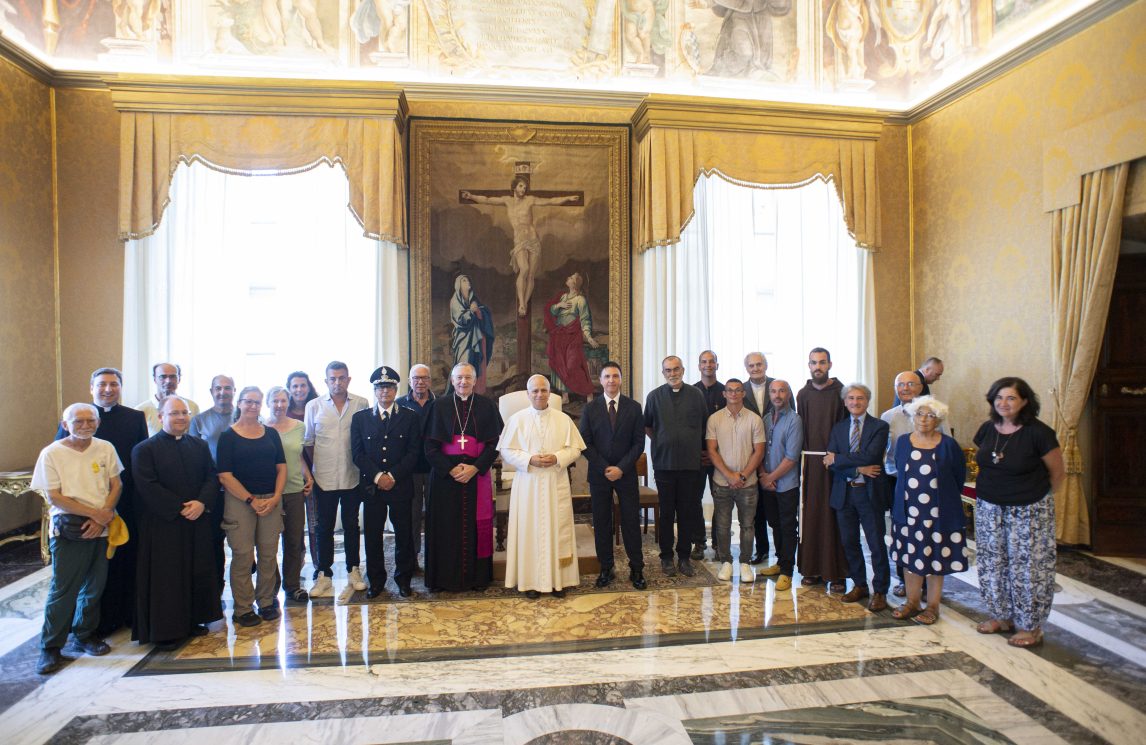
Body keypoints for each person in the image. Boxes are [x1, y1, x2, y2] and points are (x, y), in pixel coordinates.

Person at [972, 377, 1065, 648]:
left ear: (1024, 401)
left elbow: (1057, 474)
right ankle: (1001, 616)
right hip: (990, 507)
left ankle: (1030, 626)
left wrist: (1039, 499)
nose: (1004, 403)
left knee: (1028, 569)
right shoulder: (987, 429)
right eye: (999, 397)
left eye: (1011, 398)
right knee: (992, 564)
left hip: (1029, 510)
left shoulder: (1039, 433)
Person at [55, 368, 148, 636]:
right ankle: (96, 622)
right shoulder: (76, 416)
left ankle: (127, 612)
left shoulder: (135, 417)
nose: (108, 389)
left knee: (125, 558)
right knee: (92, 570)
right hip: (83, 506)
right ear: (91, 388)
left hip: (124, 501)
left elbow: (139, 460)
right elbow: (61, 458)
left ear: (121, 387)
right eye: (102, 384)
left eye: (114, 384)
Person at [33, 403, 122, 675]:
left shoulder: (105, 447)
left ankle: (84, 635)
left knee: (95, 586)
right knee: (64, 588)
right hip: (70, 528)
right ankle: (50, 646)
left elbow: (116, 484)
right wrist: (95, 515)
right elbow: (54, 496)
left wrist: (101, 518)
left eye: (90, 420)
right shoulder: (52, 453)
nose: (85, 425)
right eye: (78, 421)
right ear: (65, 423)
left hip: (101, 526)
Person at [131, 395, 224, 649]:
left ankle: (192, 621)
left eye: (184, 413)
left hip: (196, 521)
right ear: (161, 417)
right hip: (164, 524)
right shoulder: (144, 449)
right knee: (168, 577)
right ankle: (166, 631)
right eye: (174, 413)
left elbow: (211, 476)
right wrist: (180, 508)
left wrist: (202, 503)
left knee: (196, 570)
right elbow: (147, 486)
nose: (181, 417)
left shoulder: (198, 445)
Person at [499, 375, 587, 598]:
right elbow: (507, 450)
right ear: (528, 394)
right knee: (530, 530)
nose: (539, 395)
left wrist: (557, 457)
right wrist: (530, 460)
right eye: (535, 391)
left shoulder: (563, 419)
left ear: (550, 393)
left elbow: (575, 449)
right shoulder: (517, 420)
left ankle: (559, 582)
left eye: (543, 390)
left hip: (554, 481)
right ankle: (530, 583)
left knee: (558, 528)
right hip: (527, 483)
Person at [423, 363, 504, 592]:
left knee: (476, 527)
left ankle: (477, 579)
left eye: (468, 377)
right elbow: (429, 447)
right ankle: (444, 579)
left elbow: (494, 444)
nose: (463, 382)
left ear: (475, 380)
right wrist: (450, 469)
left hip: (476, 476)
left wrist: (475, 468)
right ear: (452, 380)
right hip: (445, 479)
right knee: (445, 526)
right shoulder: (439, 406)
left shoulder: (487, 406)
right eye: (459, 377)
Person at [890, 396, 966, 625]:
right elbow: (898, 470)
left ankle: (932, 606)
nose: (924, 419)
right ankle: (912, 602)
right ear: (912, 417)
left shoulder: (947, 445)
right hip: (908, 512)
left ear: (938, 420)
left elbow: (958, 476)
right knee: (910, 558)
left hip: (938, 514)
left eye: (930, 415)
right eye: (920, 414)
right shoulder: (903, 442)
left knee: (936, 560)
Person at [462, 177, 581, 316]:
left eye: (525, 187)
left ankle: (524, 304)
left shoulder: (530, 200)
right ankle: (522, 304)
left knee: (531, 274)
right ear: (514, 187)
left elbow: (549, 201)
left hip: (533, 239)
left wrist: (567, 198)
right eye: (520, 186)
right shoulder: (507, 200)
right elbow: (487, 199)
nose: (523, 189)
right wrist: (471, 196)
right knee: (523, 268)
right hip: (520, 240)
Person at [217, 387, 286, 627]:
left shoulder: (271, 434)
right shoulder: (228, 436)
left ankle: (266, 602)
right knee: (243, 556)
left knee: (268, 555)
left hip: (271, 500)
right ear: (239, 403)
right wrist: (251, 500)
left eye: (257, 402)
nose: (253, 406)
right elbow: (225, 476)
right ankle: (243, 608)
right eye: (248, 402)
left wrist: (276, 497)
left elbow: (282, 467)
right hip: (240, 503)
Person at [351, 366, 423, 598]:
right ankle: (376, 581)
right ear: (374, 390)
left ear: (396, 389)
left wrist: (391, 476)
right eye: (380, 387)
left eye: (389, 387)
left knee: (404, 535)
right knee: (372, 536)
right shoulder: (360, 419)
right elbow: (357, 454)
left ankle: (403, 580)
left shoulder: (409, 417)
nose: (385, 392)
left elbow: (413, 452)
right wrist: (378, 477)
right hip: (372, 488)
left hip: (400, 485)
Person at [304, 362, 370, 597]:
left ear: (349, 380)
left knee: (352, 524)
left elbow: (365, 439)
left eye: (342, 378)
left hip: (352, 475)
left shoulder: (361, 403)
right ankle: (325, 574)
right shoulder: (314, 406)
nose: (337, 383)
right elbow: (309, 442)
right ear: (326, 381)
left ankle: (354, 569)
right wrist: (315, 469)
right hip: (324, 476)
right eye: (333, 379)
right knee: (324, 526)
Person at [580, 361, 648, 590]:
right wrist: (604, 468)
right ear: (600, 381)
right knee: (602, 522)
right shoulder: (590, 409)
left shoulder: (634, 407)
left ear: (620, 379)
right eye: (607, 376)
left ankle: (637, 568)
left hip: (626, 474)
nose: (611, 380)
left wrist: (621, 468)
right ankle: (606, 567)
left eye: (615, 376)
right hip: (599, 476)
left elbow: (639, 443)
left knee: (631, 521)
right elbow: (585, 444)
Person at [824, 383, 890, 611]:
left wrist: (840, 459)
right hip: (845, 493)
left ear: (867, 401)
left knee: (876, 543)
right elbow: (830, 463)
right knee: (849, 542)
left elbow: (871, 455)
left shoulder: (880, 426)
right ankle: (860, 585)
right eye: (851, 398)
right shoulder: (838, 428)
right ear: (845, 402)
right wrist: (859, 469)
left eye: (860, 398)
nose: (855, 402)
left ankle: (880, 591)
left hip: (869, 494)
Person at [882, 370, 947, 597]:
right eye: (901, 384)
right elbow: (883, 453)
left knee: (929, 533)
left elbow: (947, 450)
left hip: (929, 487)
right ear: (895, 389)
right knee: (902, 533)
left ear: (921, 387)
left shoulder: (937, 414)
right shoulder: (888, 417)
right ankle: (904, 580)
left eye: (911, 384)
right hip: (897, 483)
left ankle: (930, 582)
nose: (906, 388)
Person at [644, 355, 708, 578]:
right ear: (663, 373)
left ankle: (684, 557)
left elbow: (702, 425)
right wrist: (664, 440)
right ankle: (666, 557)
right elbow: (648, 426)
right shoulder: (654, 397)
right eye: (668, 370)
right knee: (667, 512)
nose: (673, 373)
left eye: (676, 369)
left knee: (687, 512)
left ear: (683, 370)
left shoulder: (696, 395)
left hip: (690, 464)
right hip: (664, 464)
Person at [796, 347, 849, 592]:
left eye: (822, 362)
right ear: (808, 365)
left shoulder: (842, 392)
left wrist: (837, 455)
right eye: (813, 363)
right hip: (810, 462)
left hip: (834, 463)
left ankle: (836, 572)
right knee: (811, 514)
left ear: (830, 364)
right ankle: (811, 569)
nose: (818, 366)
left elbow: (846, 427)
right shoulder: (802, 394)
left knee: (834, 516)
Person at [705, 378, 765, 584]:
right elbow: (712, 451)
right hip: (722, 482)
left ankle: (745, 563)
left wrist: (742, 475)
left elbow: (759, 451)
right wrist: (729, 475)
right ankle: (726, 562)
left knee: (748, 525)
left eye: (737, 390)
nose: (733, 394)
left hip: (747, 484)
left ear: (743, 393)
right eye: (729, 391)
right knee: (722, 525)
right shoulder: (714, 419)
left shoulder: (754, 419)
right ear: (724, 394)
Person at [265, 386, 314, 605]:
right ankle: (271, 586)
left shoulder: (299, 427)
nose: (279, 405)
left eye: (283, 401)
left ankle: (292, 585)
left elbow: (298, 456)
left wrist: (308, 475)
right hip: (270, 491)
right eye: (275, 401)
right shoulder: (261, 428)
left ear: (288, 402)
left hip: (294, 489)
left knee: (294, 540)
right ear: (268, 403)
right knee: (269, 542)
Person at [189, 374, 236, 589]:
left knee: (243, 541)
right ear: (211, 392)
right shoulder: (198, 420)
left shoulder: (245, 416)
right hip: (213, 490)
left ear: (234, 391)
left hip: (242, 488)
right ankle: (216, 585)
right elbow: (193, 455)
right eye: (218, 388)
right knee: (215, 540)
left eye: (227, 388)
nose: (223, 392)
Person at [758, 379, 802, 591]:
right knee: (774, 524)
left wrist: (770, 477)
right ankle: (779, 562)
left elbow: (792, 457)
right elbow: (758, 450)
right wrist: (763, 476)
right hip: (768, 483)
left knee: (787, 526)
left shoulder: (795, 420)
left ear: (788, 394)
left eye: (781, 391)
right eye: (773, 391)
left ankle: (787, 570)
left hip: (786, 484)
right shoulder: (766, 419)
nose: (777, 395)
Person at [398, 363, 435, 572]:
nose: (420, 382)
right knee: (410, 516)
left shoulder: (439, 404)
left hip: (434, 469)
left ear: (429, 380)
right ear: (410, 381)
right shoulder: (400, 404)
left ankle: (433, 558)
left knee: (433, 514)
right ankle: (412, 559)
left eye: (424, 378)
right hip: (409, 470)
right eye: (416, 378)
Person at [741, 352, 776, 565]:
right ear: (747, 368)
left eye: (759, 364)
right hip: (751, 455)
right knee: (756, 509)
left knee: (778, 507)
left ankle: (784, 552)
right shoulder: (740, 391)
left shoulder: (779, 387)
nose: (756, 368)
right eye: (751, 365)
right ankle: (761, 549)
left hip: (776, 455)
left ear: (766, 365)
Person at [699, 0, 792, 78]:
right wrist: (709, 2)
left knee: (760, 64)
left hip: (760, 19)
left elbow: (780, 6)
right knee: (744, 54)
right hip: (738, 16)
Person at [286, 370, 320, 575]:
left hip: (316, 472)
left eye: (302, 385)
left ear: (309, 387)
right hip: (290, 476)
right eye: (295, 386)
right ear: (289, 390)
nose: (299, 390)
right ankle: (296, 564)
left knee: (316, 522)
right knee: (294, 526)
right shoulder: (284, 412)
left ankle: (319, 565)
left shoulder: (318, 407)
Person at [692, 350, 725, 559]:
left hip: (720, 457)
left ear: (717, 365)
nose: (708, 365)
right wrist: (701, 452)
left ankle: (719, 543)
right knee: (693, 500)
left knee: (720, 499)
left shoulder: (725, 391)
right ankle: (699, 542)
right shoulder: (690, 391)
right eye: (704, 362)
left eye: (711, 361)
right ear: (699, 366)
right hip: (695, 457)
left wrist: (713, 453)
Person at [544, 271, 599, 398]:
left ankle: (588, 393)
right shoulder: (563, 297)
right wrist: (559, 305)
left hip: (573, 336)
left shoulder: (580, 300)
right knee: (559, 364)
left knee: (572, 365)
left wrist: (589, 337)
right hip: (559, 337)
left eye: (571, 277)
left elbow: (585, 319)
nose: (568, 278)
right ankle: (565, 397)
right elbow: (551, 311)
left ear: (574, 284)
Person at [449, 275, 497, 393]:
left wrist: (478, 311)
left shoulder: (473, 299)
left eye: (468, 280)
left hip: (477, 338)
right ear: (458, 284)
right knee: (464, 363)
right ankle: (460, 393)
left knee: (478, 363)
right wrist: (471, 311)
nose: (467, 282)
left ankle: (477, 392)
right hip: (463, 339)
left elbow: (483, 312)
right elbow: (460, 319)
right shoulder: (455, 300)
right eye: (464, 280)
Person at [137, 362, 200, 436]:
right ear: (155, 379)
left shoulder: (192, 406)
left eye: (173, 376)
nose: (168, 381)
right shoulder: (141, 410)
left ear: (179, 379)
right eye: (163, 377)